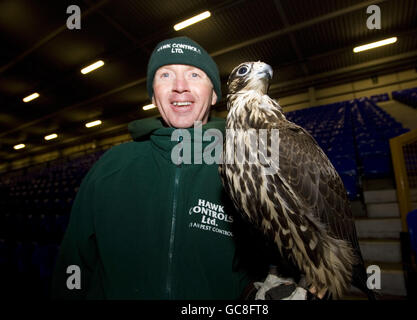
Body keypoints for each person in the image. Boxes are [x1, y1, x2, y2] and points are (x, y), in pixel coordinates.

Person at [51, 36, 264, 299]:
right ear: (153, 95)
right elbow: (73, 266)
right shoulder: (110, 167)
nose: (180, 87)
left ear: (213, 95)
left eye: (195, 74)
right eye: (165, 75)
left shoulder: (247, 165)